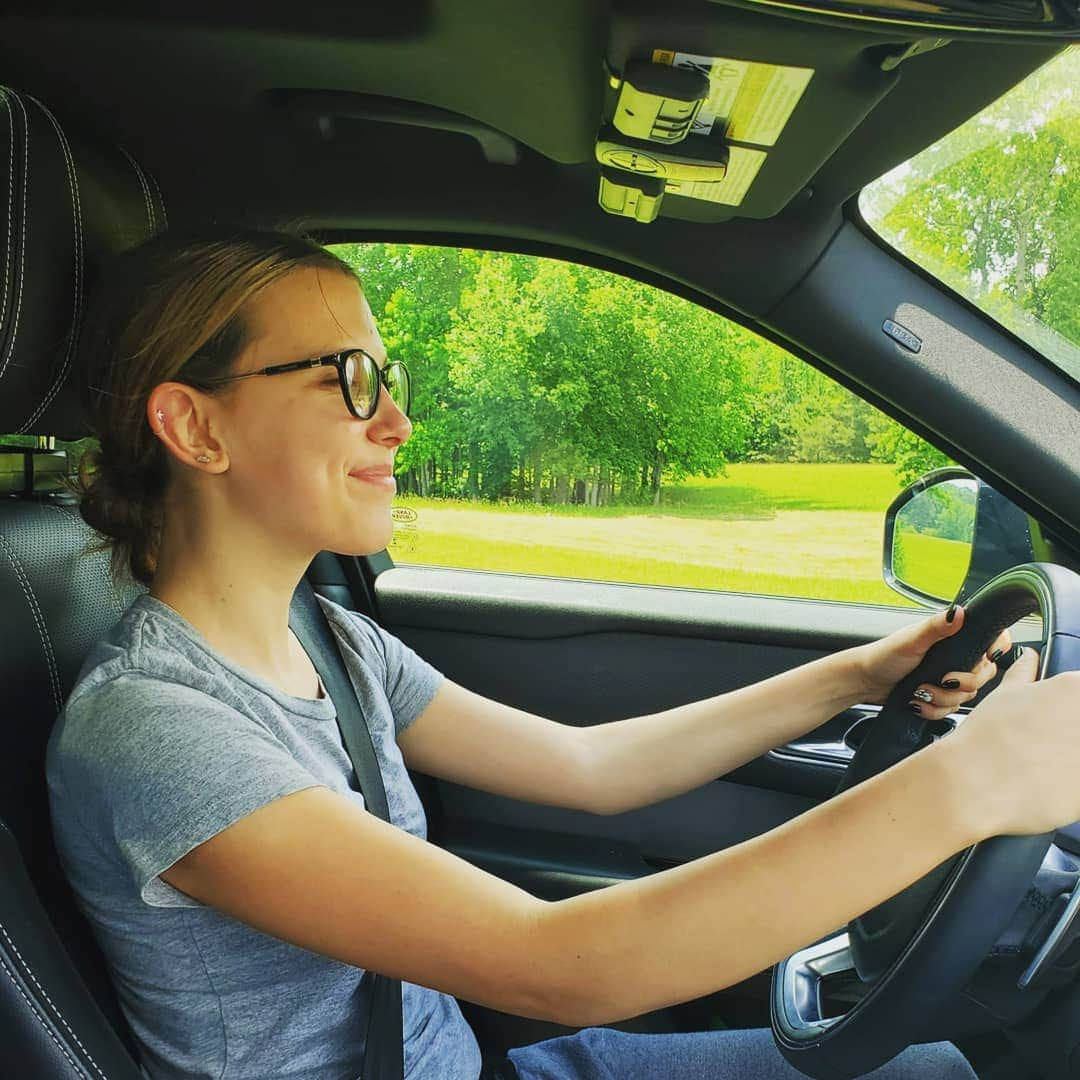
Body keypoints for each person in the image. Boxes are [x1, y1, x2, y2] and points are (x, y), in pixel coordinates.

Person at [45, 226, 1076, 1080]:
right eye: (349, 380)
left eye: (386, 377)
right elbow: (558, 965)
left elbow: (592, 769)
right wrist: (974, 782)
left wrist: (854, 677)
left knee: (928, 1072)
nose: (397, 421)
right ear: (194, 425)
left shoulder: (334, 639)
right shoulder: (152, 729)